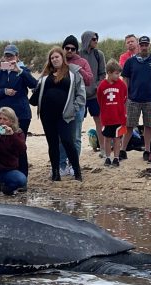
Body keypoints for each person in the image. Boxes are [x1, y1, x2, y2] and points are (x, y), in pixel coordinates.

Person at [30, 47, 86, 181]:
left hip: (65, 115)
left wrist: (74, 108)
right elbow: (36, 93)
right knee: (53, 143)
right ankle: (56, 173)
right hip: (47, 115)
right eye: (52, 58)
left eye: (57, 57)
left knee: (68, 141)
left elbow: (81, 94)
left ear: (63, 58)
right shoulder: (45, 76)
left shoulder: (72, 73)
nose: (55, 59)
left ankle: (77, 171)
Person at [0, 44, 37, 179]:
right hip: (2, 117)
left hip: (21, 115)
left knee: (19, 145)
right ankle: (2, 178)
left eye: (11, 55)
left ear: (17, 56)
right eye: (7, 55)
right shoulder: (1, 72)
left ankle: (22, 178)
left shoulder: (23, 70)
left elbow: (34, 84)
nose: (9, 58)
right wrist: (4, 91)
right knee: (0, 145)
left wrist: (19, 70)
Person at [122, 36, 151, 163]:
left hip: (150, 98)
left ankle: (147, 150)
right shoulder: (130, 62)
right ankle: (123, 150)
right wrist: (125, 94)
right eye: (142, 45)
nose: (144, 47)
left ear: (149, 45)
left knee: (148, 126)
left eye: (146, 45)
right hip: (133, 98)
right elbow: (125, 78)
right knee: (129, 125)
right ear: (138, 46)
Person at [59, 35, 93, 172]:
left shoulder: (82, 62)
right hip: (61, 105)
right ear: (63, 48)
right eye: (67, 48)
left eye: (73, 48)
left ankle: (74, 165)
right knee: (61, 137)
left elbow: (90, 80)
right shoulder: (57, 60)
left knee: (76, 137)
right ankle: (61, 165)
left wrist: (77, 69)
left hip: (78, 104)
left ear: (76, 50)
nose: (70, 51)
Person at [96, 60, 128, 167]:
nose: (118, 76)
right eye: (116, 73)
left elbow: (124, 98)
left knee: (117, 138)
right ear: (109, 73)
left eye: (119, 73)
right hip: (107, 117)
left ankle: (116, 158)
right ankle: (107, 157)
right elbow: (100, 100)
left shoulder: (122, 84)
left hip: (119, 117)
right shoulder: (102, 86)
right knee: (107, 138)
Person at [81, 31, 107, 155]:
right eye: (93, 39)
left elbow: (103, 73)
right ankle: (76, 150)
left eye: (97, 39)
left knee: (99, 121)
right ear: (86, 40)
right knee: (77, 122)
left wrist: (97, 86)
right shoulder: (77, 54)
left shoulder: (99, 54)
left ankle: (102, 148)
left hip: (95, 94)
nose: (96, 41)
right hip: (80, 95)